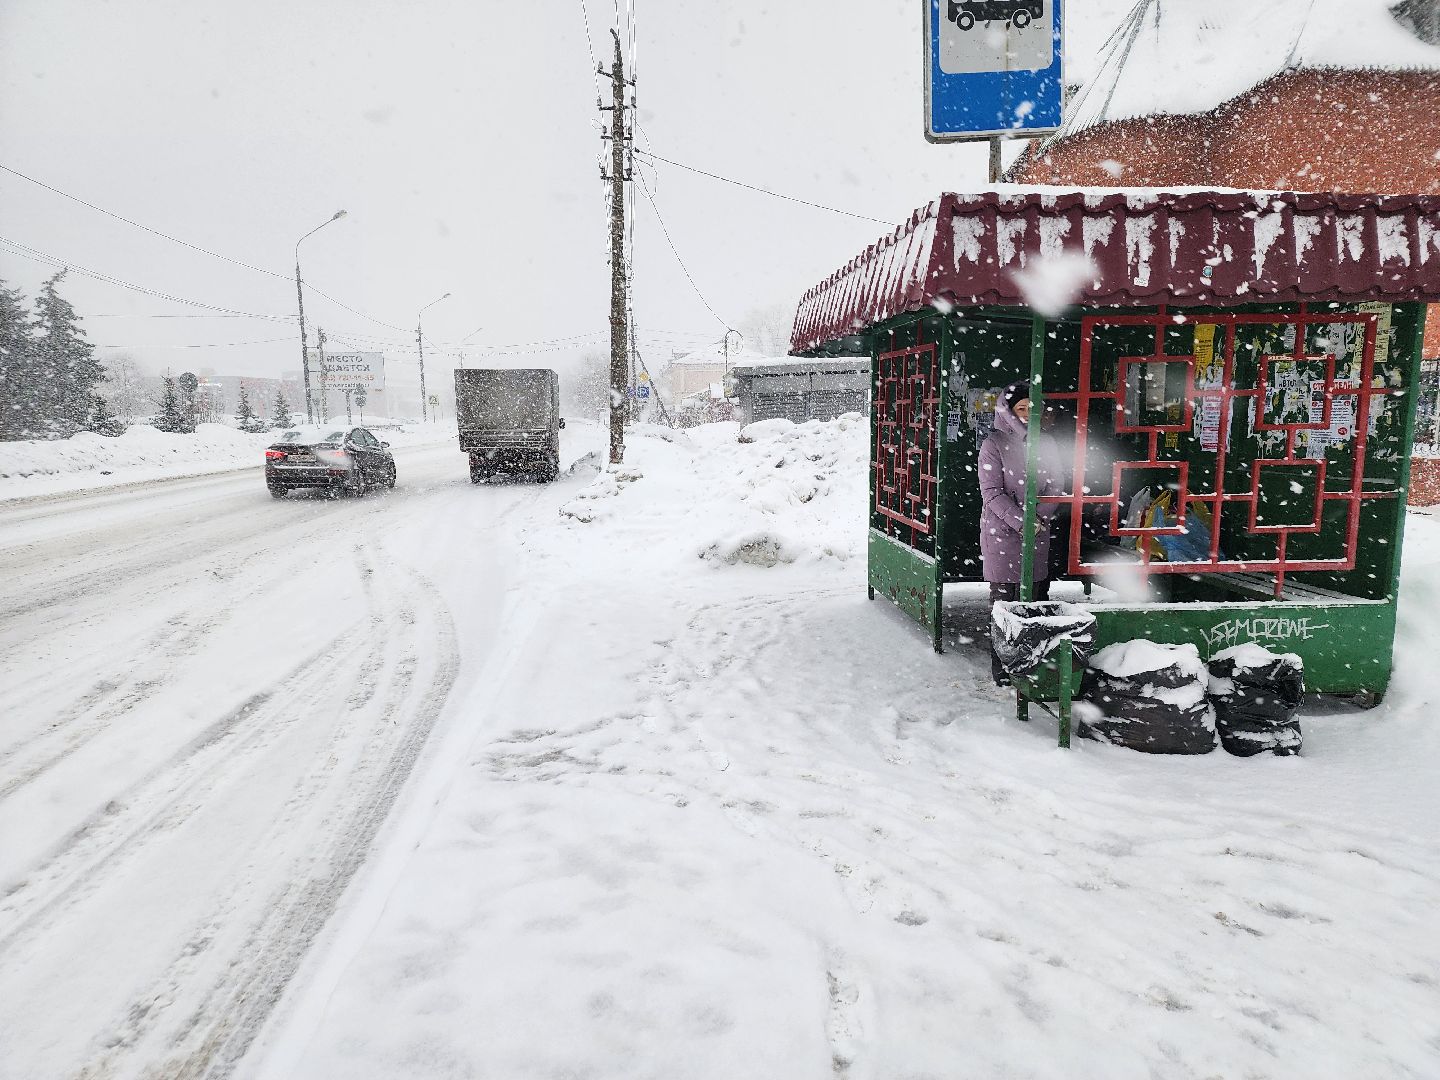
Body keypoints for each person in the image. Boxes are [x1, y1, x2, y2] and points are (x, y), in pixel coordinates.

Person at [979, 382, 1067, 685]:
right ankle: (1003, 667)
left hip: (1038, 533)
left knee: (1036, 597)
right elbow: (991, 493)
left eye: (1033, 408)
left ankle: (1031, 665)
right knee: (1004, 604)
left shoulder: (1048, 443)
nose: (1028, 413)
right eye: (1021, 408)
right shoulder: (994, 444)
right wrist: (1021, 521)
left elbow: (1056, 485)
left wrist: (1039, 517)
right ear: (1008, 411)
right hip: (1001, 533)